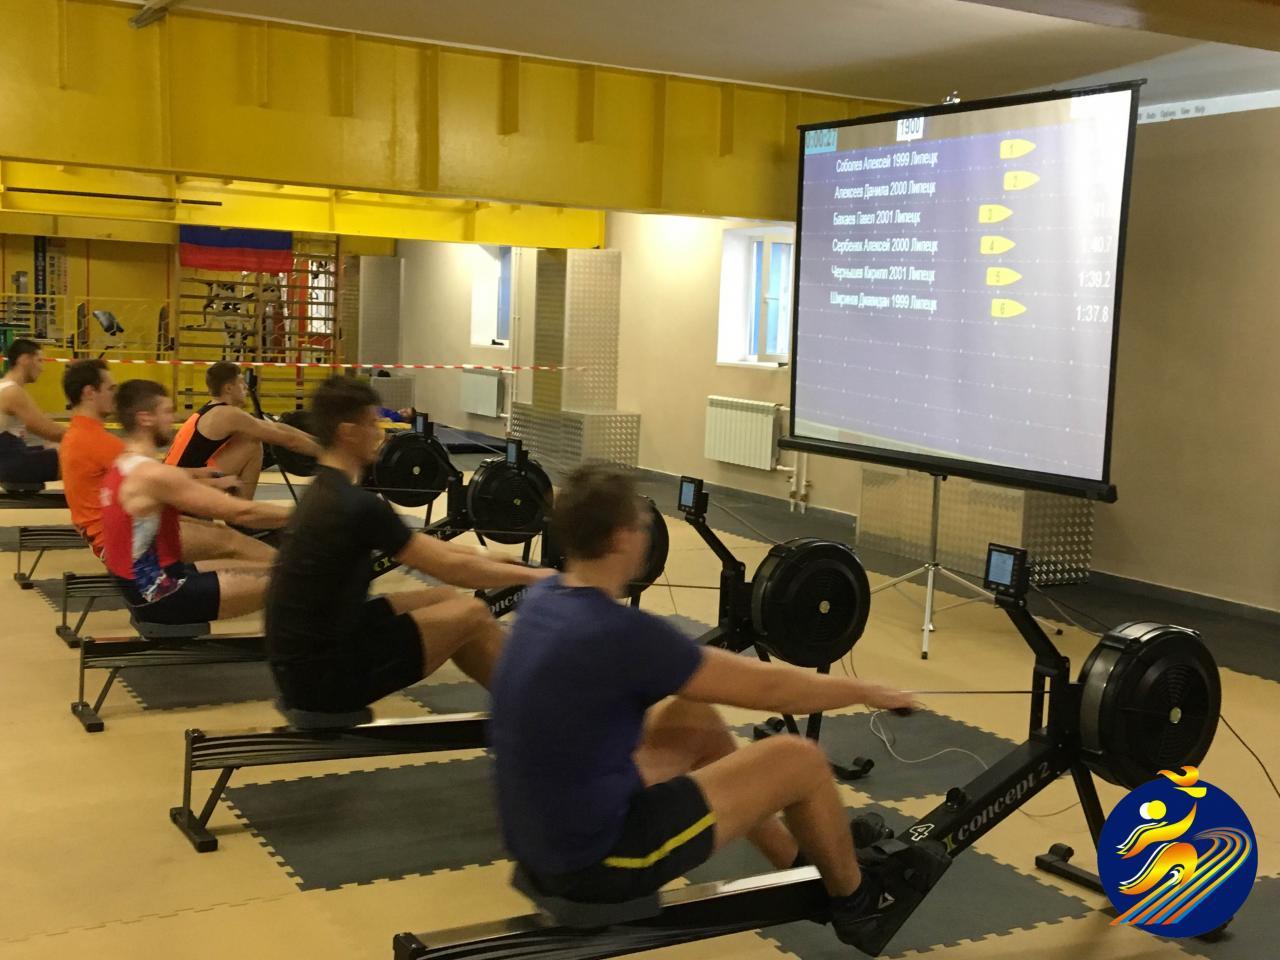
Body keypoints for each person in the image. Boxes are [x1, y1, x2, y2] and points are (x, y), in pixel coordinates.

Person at [489, 465, 920, 946]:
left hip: (540, 845)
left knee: (691, 716)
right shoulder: (620, 632)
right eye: (641, 526)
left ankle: (802, 861)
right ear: (621, 538)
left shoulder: (543, 598)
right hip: (600, 863)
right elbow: (771, 689)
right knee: (800, 760)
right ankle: (860, 903)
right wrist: (865, 691)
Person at [265, 376, 551, 714]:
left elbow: (421, 546)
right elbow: (450, 568)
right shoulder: (356, 505)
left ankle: (520, 700)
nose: (381, 433)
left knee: (444, 598)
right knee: (473, 613)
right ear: (348, 432)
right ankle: (539, 716)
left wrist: (488, 556)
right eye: (372, 424)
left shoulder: (325, 490)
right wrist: (537, 577)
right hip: (323, 679)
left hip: (303, 659)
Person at [101, 380, 290, 625]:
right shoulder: (150, 474)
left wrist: (209, 481)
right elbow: (242, 513)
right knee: (294, 579)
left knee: (270, 562)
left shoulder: (123, 464)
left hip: (152, 579)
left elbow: (173, 487)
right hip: (161, 594)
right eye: (167, 412)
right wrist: (308, 516)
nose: (174, 419)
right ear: (145, 418)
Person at [59, 359, 274, 564]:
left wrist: (197, 474)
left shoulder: (77, 434)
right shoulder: (97, 442)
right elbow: (157, 483)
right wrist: (212, 483)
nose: (115, 396)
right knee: (232, 541)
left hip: (118, 531)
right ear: (89, 393)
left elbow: (151, 475)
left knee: (221, 534)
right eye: (110, 389)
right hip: (126, 538)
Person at [165, 360, 320, 499]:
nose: (246, 387)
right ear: (229, 388)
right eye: (241, 382)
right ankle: (242, 509)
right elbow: (288, 440)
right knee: (252, 443)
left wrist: (320, 441)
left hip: (176, 480)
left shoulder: (212, 409)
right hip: (181, 488)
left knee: (249, 438)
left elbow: (275, 426)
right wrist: (327, 452)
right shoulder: (228, 414)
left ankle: (239, 510)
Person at [0, 338, 65, 486]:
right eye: (39, 360)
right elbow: (50, 431)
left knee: (55, 448)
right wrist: (88, 439)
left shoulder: (3, 386)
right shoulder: (12, 392)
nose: (42, 368)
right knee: (80, 456)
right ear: (24, 360)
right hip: (8, 465)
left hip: (9, 457)